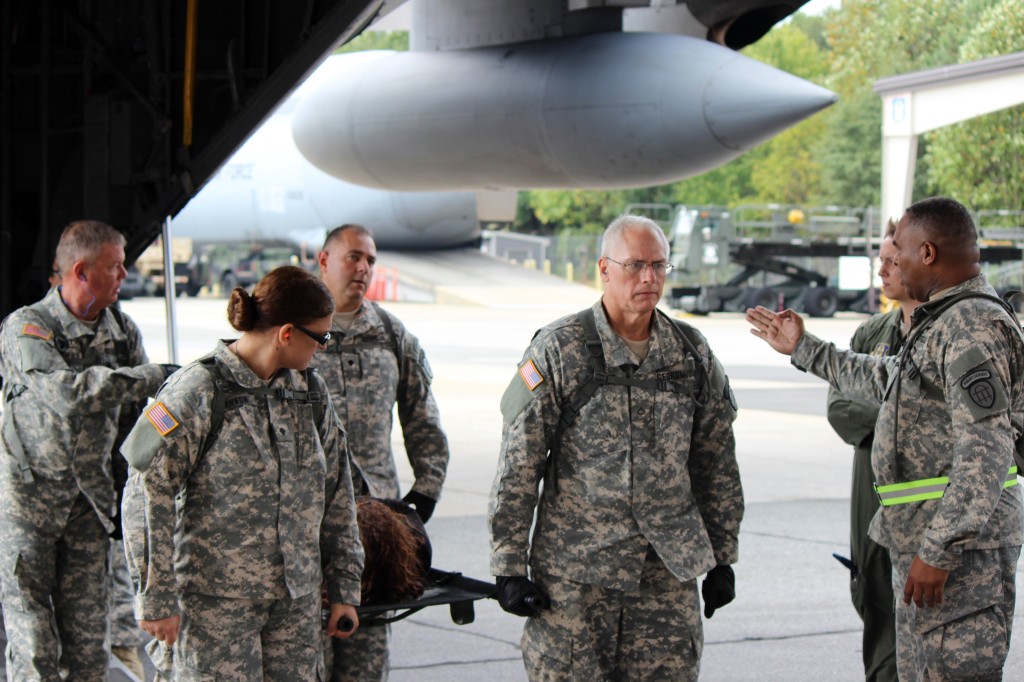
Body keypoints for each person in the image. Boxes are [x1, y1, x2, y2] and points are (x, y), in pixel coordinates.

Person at [747, 196, 1024, 681]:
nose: (892, 266)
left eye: (900, 255)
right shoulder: (945, 320)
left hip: (959, 558)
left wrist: (938, 550)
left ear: (928, 254)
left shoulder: (970, 326)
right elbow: (888, 379)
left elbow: (986, 453)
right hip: (929, 545)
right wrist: (805, 349)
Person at [489, 215, 745, 680]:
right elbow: (519, 464)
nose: (649, 278)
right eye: (636, 265)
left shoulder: (691, 353)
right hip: (576, 579)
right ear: (604, 268)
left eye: (659, 266)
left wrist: (723, 557)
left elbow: (716, 461)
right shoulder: (559, 349)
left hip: (667, 577)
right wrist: (508, 566)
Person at [119, 266, 364, 680]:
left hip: (294, 606)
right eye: (321, 338)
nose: (323, 349)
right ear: (287, 334)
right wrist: (155, 597)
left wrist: (344, 585)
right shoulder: (196, 390)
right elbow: (146, 490)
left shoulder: (310, 393)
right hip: (215, 610)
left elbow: (338, 490)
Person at [0, 220, 172, 680]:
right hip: (30, 506)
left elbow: (139, 417)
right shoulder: (28, 327)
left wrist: (139, 480)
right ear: (81, 270)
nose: (124, 276)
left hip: (88, 507)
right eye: (115, 267)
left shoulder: (122, 330)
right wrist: (153, 376)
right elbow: (65, 394)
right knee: (35, 648)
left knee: (89, 646)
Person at [311, 223, 450, 681]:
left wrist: (424, 493)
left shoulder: (390, 334)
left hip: (375, 533)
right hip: (307, 531)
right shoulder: (297, 332)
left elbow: (423, 417)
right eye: (353, 256)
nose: (363, 268)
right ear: (324, 260)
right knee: (305, 663)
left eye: (370, 260)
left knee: (366, 665)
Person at [825, 221, 918, 682]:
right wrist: (909, 416)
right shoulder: (870, 334)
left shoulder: (950, 332)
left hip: (924, 515)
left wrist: (882, 410)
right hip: (871, 502)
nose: (881, 270)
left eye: (890, 261)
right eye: (880, 260)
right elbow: (840, 409)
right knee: (876, 604)